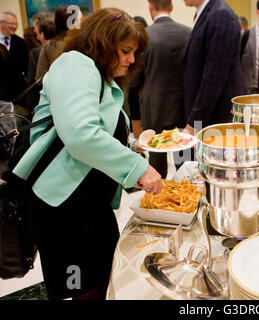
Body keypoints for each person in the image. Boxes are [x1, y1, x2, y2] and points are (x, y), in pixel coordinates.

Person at [13, 8, 162, 300]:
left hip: (88, 204)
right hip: (64, 206)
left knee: (101, 279)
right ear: (103, 43)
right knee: (78, 289)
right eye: (126, 51)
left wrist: (131, 145)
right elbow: (80, 134)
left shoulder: (96, 73)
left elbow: (97, 129)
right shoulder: (75, 64)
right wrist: (138, 167)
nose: (132, 60)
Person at [128, 0, 191, 178]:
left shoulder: (144, 36)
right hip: (184, 108)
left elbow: (136, 79)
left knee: (156, 163)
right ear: (171, 7)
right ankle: (185, 197)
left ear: (150, 7)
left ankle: (159, 199)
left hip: (154, 108)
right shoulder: (189, 33)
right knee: (185, 159)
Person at [182, 0, 246, 136]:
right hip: (207, 112)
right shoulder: (208, 13)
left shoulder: (221, 15)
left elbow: (214, 76)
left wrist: (195, 122)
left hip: (217, 114)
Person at [35, 5, 82, 80]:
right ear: (73, 23)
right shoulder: (84, 44)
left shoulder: (49, 45)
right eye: (80, 20)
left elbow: (40, 78)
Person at [24, 13, 55, 111]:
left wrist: (31, 108)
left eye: (35, 27)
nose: (34, 30)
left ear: (41, 31)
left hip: (44, 103)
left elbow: (34, 82)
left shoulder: (37, 52)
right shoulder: (67, 47)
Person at [0, 11, 29, 102]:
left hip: (18, 95)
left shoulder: (21, 43)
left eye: (16, 24)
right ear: (1, 23)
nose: (14, 26)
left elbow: (26, 68)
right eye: (11, 24)